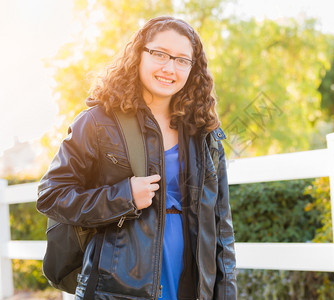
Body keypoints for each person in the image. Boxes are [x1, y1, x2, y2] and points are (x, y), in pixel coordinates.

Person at [37, 16, 237, 299]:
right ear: (138, 54)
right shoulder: (97, 122)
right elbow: (51, 195)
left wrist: (226, 294)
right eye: (159, 54)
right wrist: (124, 196)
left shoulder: (204, 132)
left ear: (194, 68)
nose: (170, 68)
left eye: (182, 60)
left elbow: (222, 227)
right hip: (116, 288)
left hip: (192, 285)